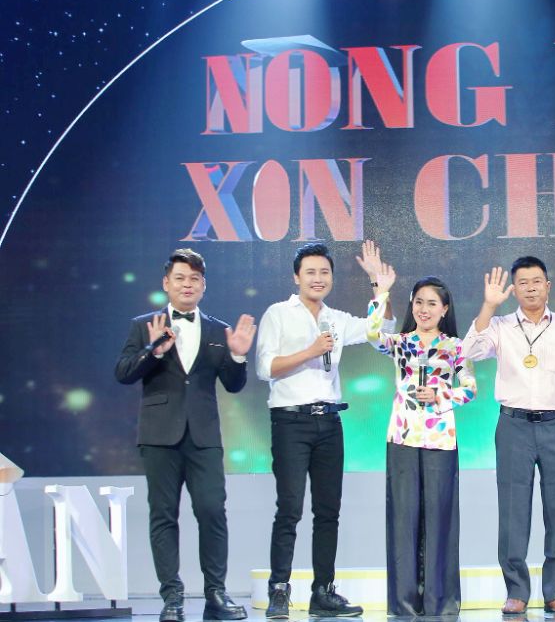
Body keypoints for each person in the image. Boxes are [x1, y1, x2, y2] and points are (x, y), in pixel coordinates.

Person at [115, 248, 256, 622]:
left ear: (204, 285)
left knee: (212, 511)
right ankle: (172, 598)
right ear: (166, 283)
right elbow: (124, 372)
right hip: (159, 435)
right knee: (163, 515)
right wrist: (153, 351)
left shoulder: (218, 330)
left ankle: (216, 594)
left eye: (194, 279)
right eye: (180, 278)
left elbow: (234, 384)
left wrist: (238, 356)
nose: (187, 285)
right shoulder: (144, 325)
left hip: (204, 436)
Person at [255, 241, 394, 619]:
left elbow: (378, 331)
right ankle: (279, 589)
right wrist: (311, 350)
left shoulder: (336, 318)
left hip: (329, 422)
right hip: (290, 421)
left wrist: (379, 289)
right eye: (311, 272)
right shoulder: (278, 314)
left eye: (324, 272)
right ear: (296, 277)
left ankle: (323, 591)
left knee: (328, 512)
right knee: (289, 509)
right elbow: (265, 368)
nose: (318, 278)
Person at [463, 257, 555, 616]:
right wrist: (488, 306)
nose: (531, 288)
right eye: (523, 283)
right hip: (514, 426)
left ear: (548, 286)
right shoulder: (500, 326)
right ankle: (516, 591)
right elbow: (469, 351)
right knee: (513, 510)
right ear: (514, 290)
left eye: (537, 281)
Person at [366, 269, 476, 616]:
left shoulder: (456, 347)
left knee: (440, 520)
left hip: (440, 439)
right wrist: (381, 293)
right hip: (402, 435)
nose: (423, 309)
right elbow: (372, 334)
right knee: (403, 521)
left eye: (431, 304)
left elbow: (470, 389)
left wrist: (441, 394)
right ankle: (404, 605)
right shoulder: (400, 343)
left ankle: (440, 602)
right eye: (418, 303)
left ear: (445, 309)